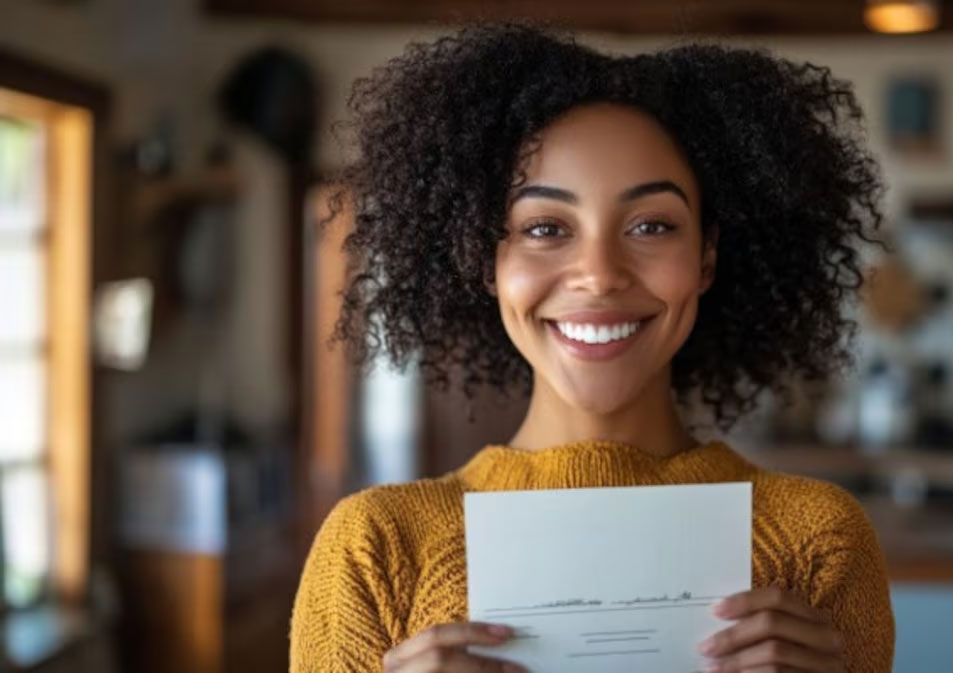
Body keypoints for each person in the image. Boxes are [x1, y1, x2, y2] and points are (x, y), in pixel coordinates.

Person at [291, 23, 893, 673]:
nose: (599, 273)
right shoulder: (374, 548)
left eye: (651, 225)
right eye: (546, 227)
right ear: (486, 261)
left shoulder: (820, 540)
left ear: (706, 256)